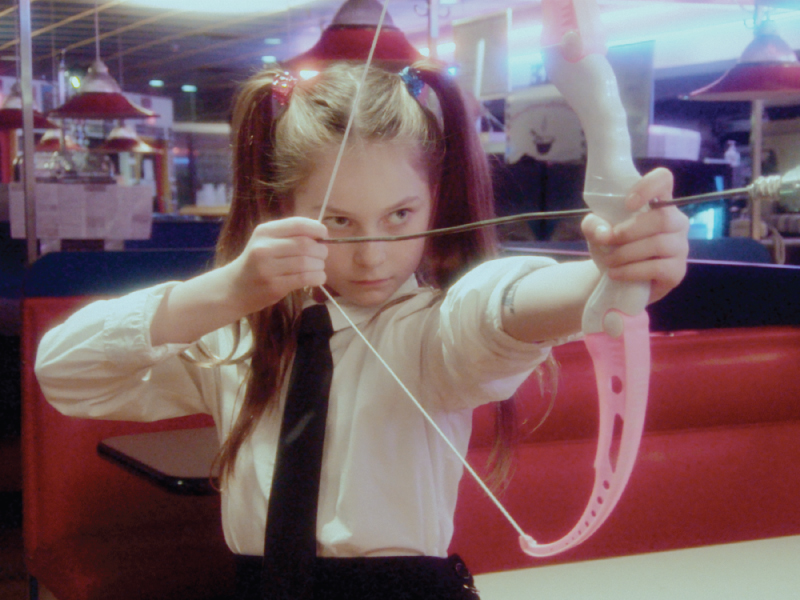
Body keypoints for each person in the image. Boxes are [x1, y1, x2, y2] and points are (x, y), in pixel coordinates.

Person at [35, 61, 689, 600]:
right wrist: (230, 289)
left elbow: (496, 309)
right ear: (281, 210)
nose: (372, 254)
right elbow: (65, 374)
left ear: (436, 203)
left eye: (401, 214)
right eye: (339, 221)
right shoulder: (238, 335)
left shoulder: (430, 331)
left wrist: (602, 280)